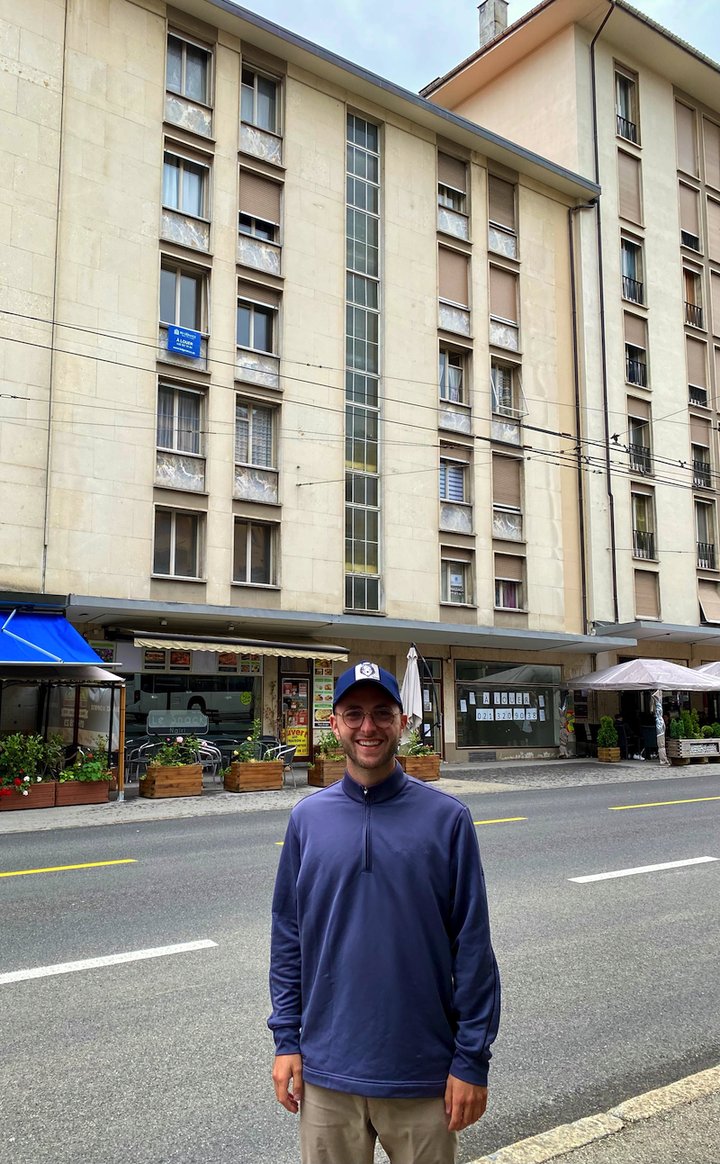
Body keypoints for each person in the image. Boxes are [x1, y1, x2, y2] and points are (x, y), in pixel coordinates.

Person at [268, 660, 500, 1164]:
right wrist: (286, 1040)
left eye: (381, 713)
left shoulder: (447, 820)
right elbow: (289, 938)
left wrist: (471, 1060)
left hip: (423, 1074)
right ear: (334, 725)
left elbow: (473, 949)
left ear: (403, 722)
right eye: (353, 714)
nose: (367, 727)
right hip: (327, 1073)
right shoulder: (307, 820)